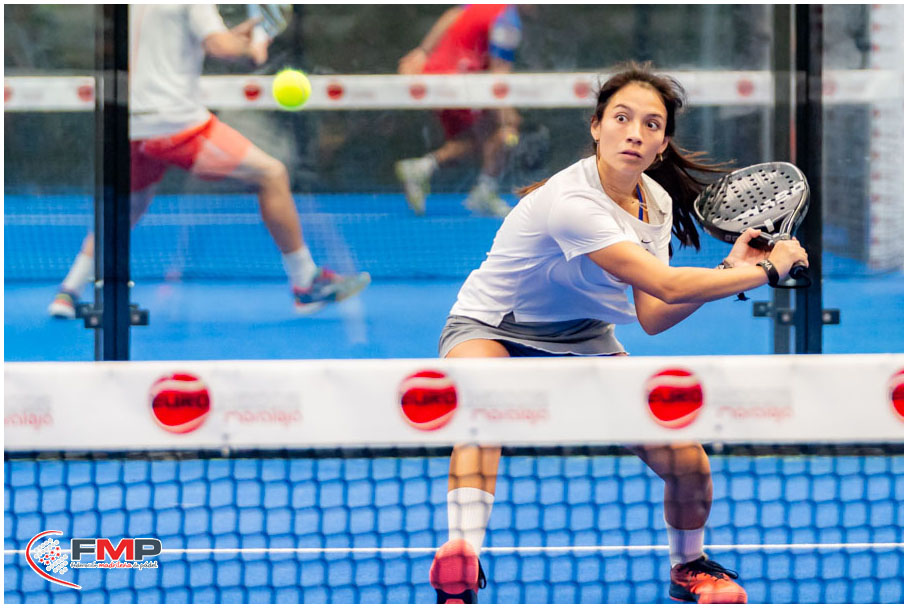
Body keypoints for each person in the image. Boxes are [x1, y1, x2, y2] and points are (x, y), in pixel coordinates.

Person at [428, 62, 809, 604]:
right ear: (596, 126)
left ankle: (689, 567)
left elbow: (655, 312)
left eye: (651, 124)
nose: (635, 132)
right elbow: (667, 284)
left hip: (585, 338)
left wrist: (730, 270)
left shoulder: (656, 201)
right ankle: (460, 567)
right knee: (482, 412)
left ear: (662, 143)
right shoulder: (571, 202)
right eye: (622, 118)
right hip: (493, 327)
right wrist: (767, 270)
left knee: (687, 460)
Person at [48, 4, 369, 319]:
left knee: (127, 210)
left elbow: (181, 42)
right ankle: (305, 282)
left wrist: (235, 37)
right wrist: (253, 47)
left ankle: (69, 290)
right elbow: (220, 47)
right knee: (272, 174)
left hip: (131, 125)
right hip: (176, 124)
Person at [394, 4, 523, 218]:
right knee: (504, 131)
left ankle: (422, 167)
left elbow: (452, 14)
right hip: (460, 83)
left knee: (471, 140)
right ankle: (484, 190)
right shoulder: (508, 19)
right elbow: (499, 72)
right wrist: (507, 112)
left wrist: (422, 52)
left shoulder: (482, 5)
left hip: (434, 77)